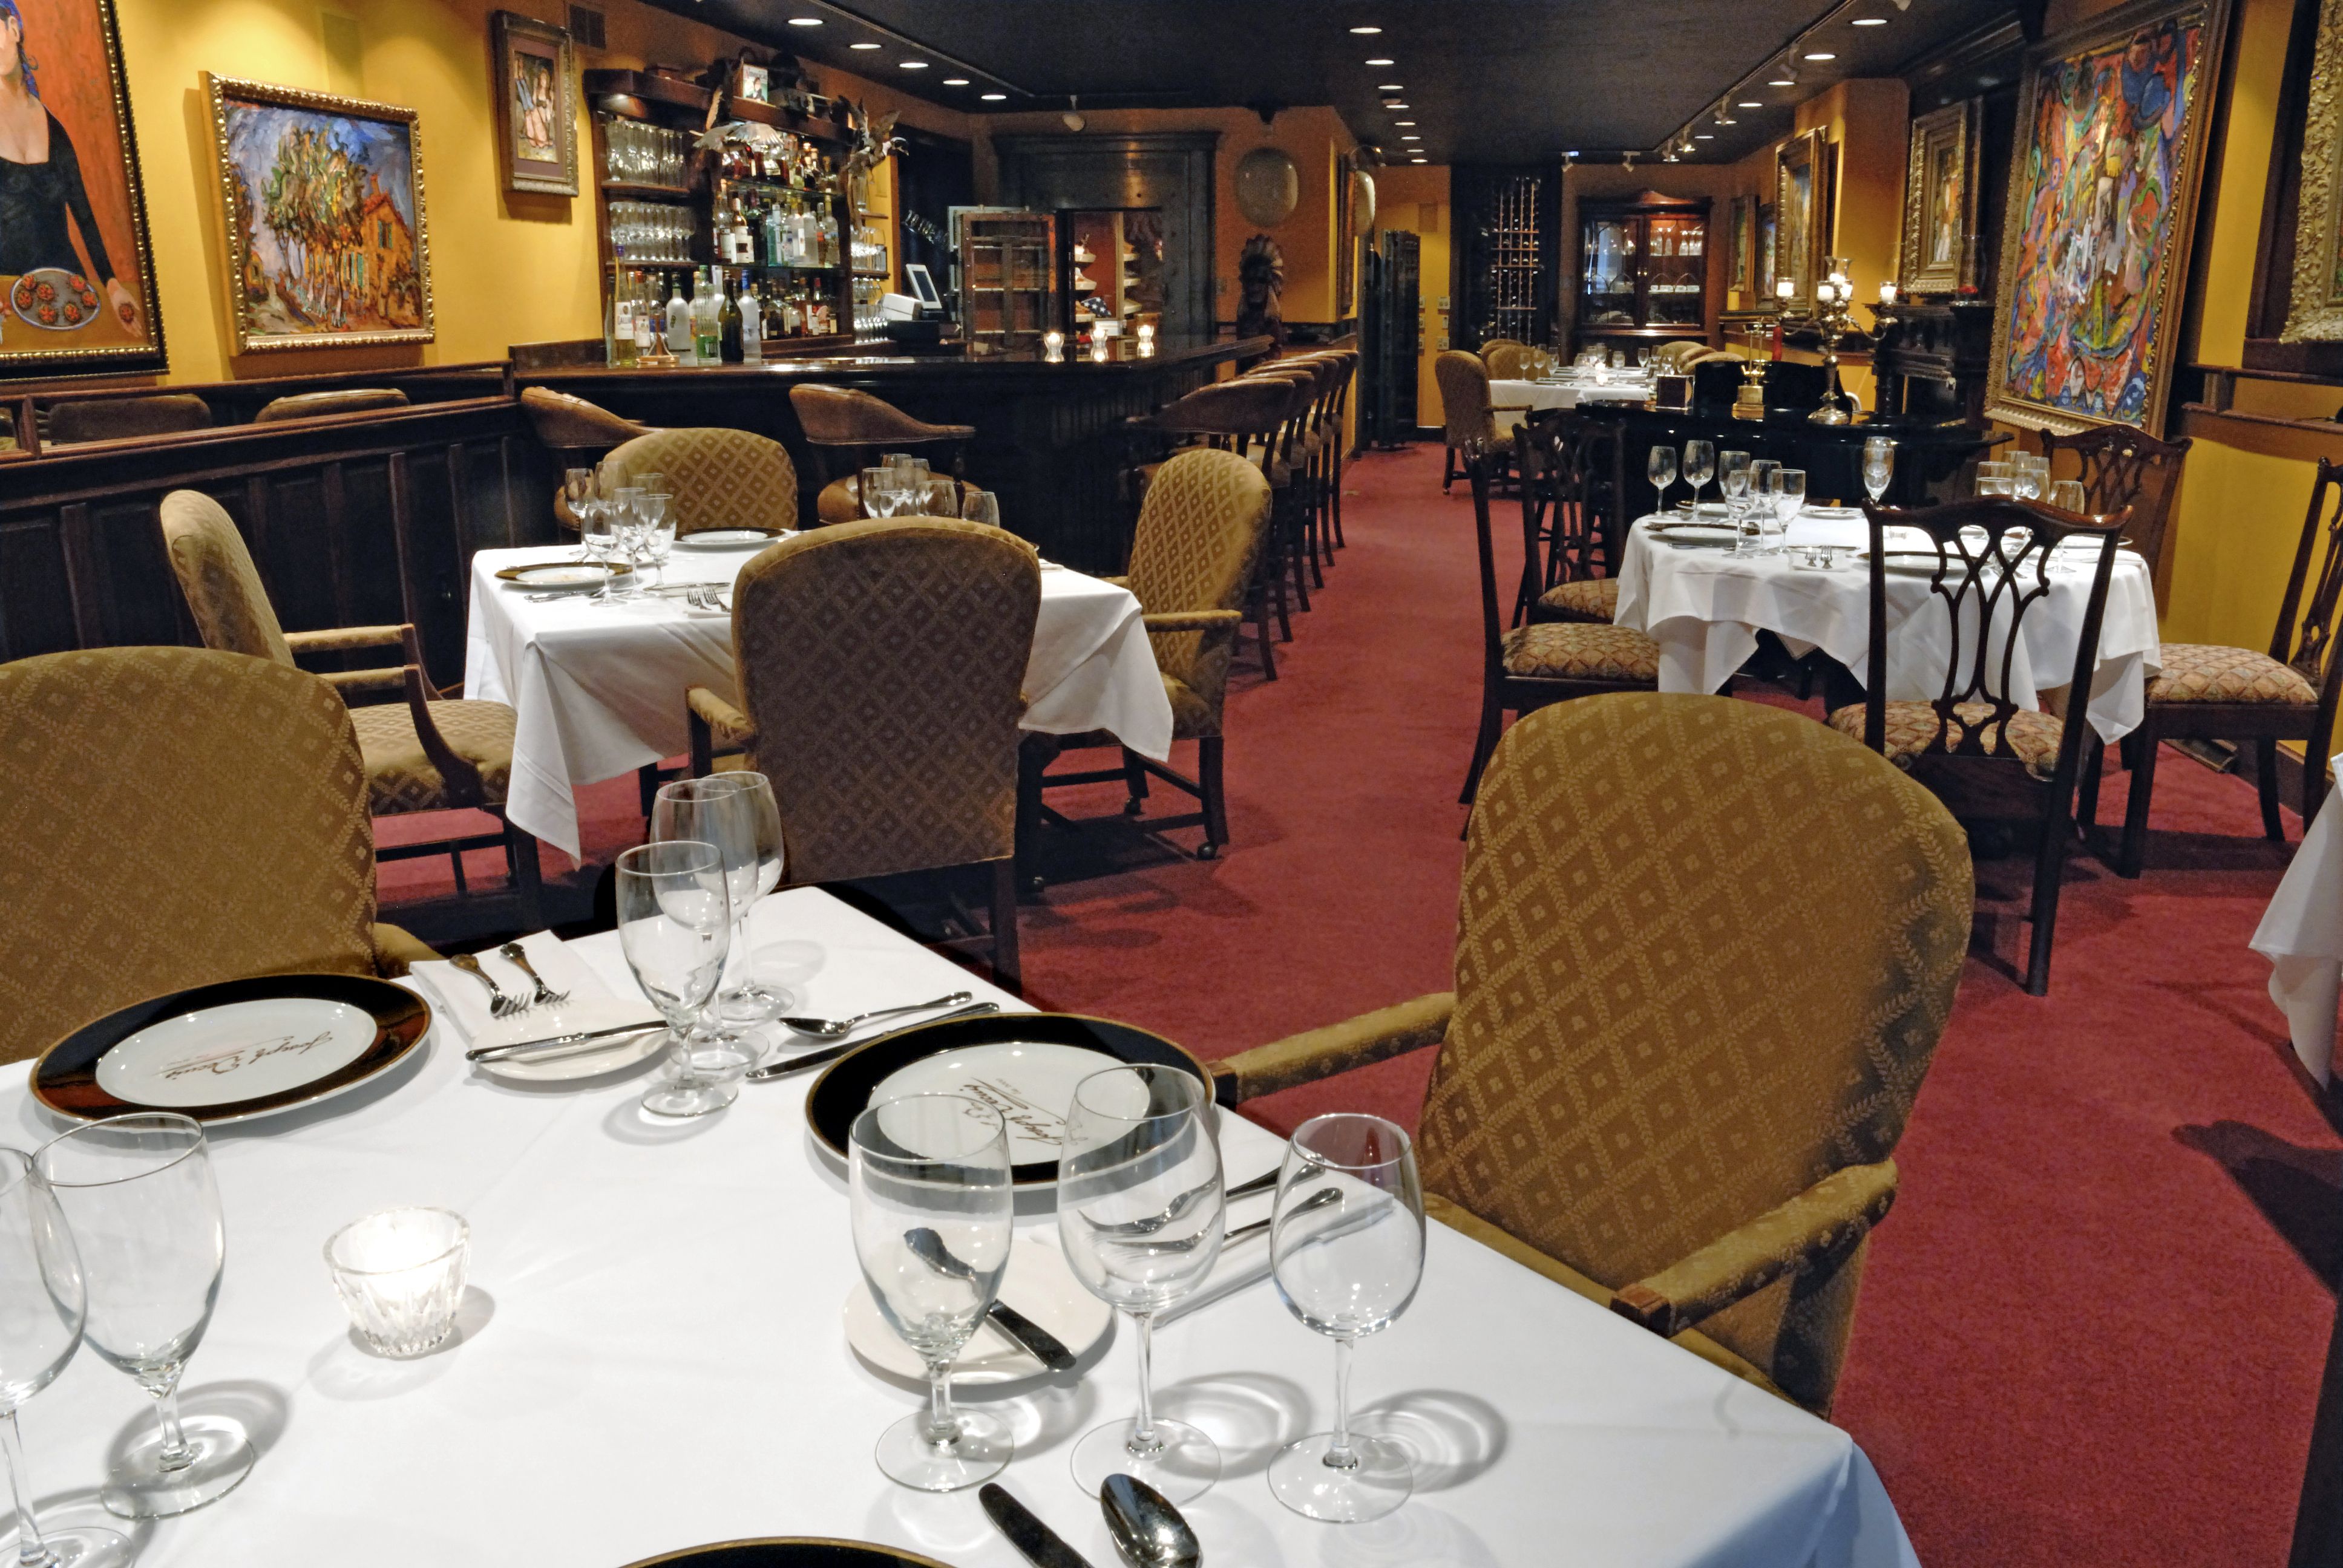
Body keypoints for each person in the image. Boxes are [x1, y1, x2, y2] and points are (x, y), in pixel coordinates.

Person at [0, 0, 140, 330]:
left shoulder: (55, 129)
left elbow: (84, 214)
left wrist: (112, 285)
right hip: (7, 300)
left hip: (68, 295)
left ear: (14, 29)